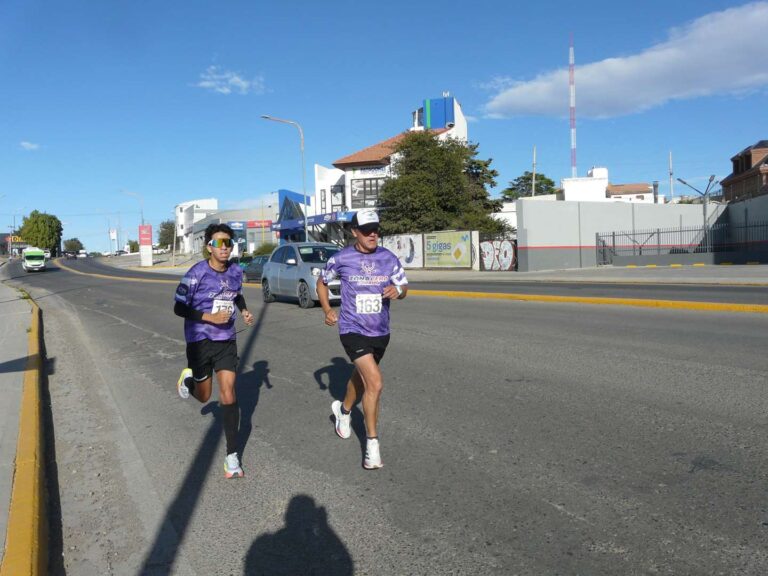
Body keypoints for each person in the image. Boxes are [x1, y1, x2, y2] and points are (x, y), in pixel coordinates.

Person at [317, 209, 408, 469]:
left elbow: (404, 287)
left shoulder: (388, 258)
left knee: (362, 378)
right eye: (367, 230)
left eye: (376, 229)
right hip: (352, 329)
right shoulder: (342, 258)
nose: (373, 234)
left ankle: (343, 411)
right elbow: (322, 282)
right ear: (354, 232)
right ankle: (372, 445)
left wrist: (397, 290)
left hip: (380, 331)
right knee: (376, 383)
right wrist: (327, 310)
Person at [173, 223, 255, 478]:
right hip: (199, 341)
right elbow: (178, 308)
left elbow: (235, 295)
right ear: (209, 247)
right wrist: (208, 316)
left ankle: (232, 457)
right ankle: (189, 379)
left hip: (226, 340)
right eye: (219, 243)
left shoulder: (235, 272)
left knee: (229, 394)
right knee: (205, 396)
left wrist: (243, 310)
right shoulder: (196, 273)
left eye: (228, 243)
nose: (225, 247)